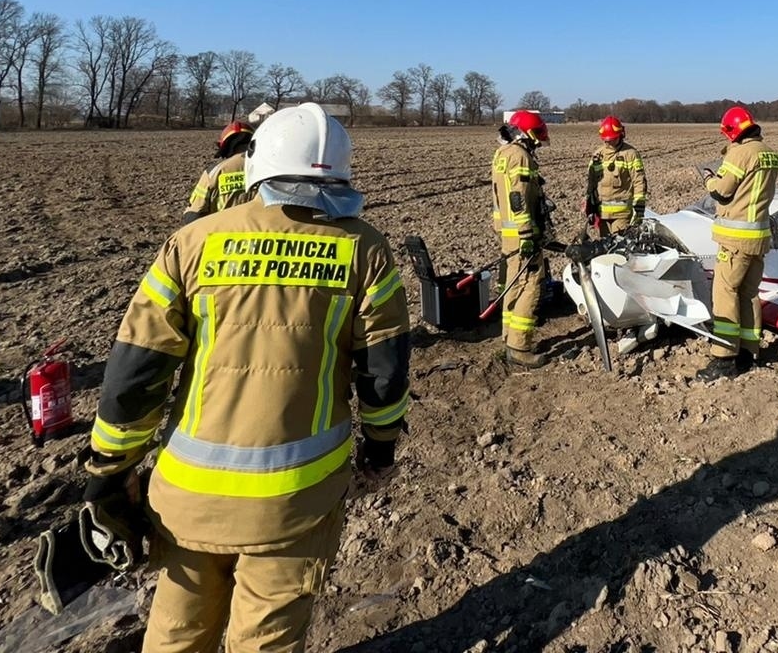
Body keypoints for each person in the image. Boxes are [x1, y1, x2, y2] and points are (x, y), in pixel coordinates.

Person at [85, 102, 410, 653]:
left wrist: (109, 471)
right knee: (266, 639)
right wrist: (380, 450)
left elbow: (135, 373)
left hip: (189, 494)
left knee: (176, 630)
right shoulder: (365, 250)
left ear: (257, 164)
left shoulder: (192, 244)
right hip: (296, 499)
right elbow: (385, 370)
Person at [697, 105, 778, 382]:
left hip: (736, 240)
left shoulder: (740, 152)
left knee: (724, 295)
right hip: (759, 238)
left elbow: (723, 190)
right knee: (748, 293)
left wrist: (709, 179)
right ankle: (749, 351)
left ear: (732, 131)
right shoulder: (769, 153)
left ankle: (723, 358)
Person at [491, 109, 551, 369]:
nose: (538, 139)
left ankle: (508, 337)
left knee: (513, 283)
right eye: (536, 133)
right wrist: (528, 233)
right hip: (522, 233)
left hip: (507, 233)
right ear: (526, 132)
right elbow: (518, 197)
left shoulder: (502, 154)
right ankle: (520, 346)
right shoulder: (521, 157)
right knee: (531, 285)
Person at [182, 120, 256, 220]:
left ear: (225, 147)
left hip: (223, 232)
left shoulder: (214, 172)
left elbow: (193, 215)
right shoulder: (271, 169)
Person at [587, 115, 647, 236]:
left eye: (612, 139)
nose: (609, 142)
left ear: (621, 135)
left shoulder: (631, 154)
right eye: (607, 140)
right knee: (605, 250)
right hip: (602, 215)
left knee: (619, 248)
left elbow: (639, 181)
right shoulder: (598, 155)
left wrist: (639, 209)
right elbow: (591, 183)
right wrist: (590, 207)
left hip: (622, 215)